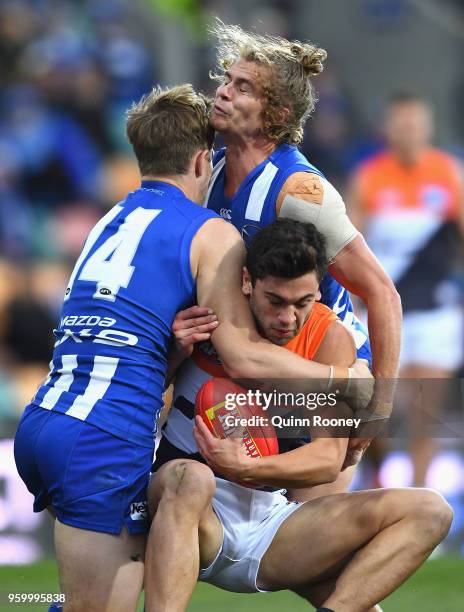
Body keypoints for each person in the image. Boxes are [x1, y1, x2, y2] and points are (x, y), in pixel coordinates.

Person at [13, 85, 370, 612]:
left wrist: (175, 350)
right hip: (104, 435)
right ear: (204, 159)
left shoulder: (105, 221)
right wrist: (345, 381)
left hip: (46, 416)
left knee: (76, 602)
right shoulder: (210, 233)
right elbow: (245, 356)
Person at [145, 219, 453, 612]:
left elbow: (326, 461)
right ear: (246, 282)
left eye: (302, 303)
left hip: (272, 523)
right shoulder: (205, 315)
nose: (288, 319)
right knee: (190, 479)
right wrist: (172, 355)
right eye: (275, 301)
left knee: (430, 510)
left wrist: (251, 467)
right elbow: (138, 398)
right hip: (192, 511)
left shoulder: (330, 339)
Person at [205, 21, 402, 462]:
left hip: (320, 369)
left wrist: (380, 405)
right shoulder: (210, 172)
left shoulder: (298, 191)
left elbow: (382, 292)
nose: (222, 92)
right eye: (225, 80)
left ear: (275, 114)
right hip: (258, 367)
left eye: (242, 87)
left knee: (310, 516)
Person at [346, 92, 464, 485]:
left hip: (434, 312)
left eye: (416, 123)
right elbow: (345, 242)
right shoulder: (369, 178)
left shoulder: (448, 174)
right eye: (401, 123)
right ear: (389, 128)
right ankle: (378, 475)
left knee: (424, 418)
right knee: (371, 410)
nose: (409, 131)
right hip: (383, 310)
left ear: (427, 127)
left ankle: (417, 504)